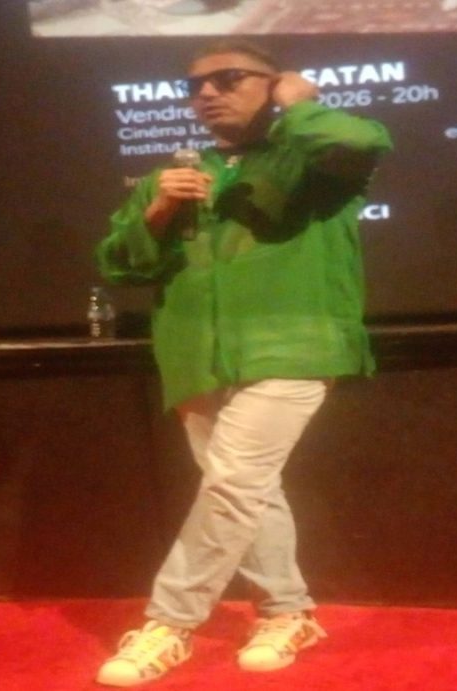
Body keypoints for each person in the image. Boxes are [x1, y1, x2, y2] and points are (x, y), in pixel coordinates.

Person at [93, 39, 392, 686]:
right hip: (193, 355)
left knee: (232, 483)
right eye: (195, 85)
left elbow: (363, 140)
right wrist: (158, 211)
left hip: (292, 345)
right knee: (247, 489)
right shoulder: (173, 174)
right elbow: (119, 265)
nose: (206, 93)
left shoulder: (313, 159)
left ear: (271, 82)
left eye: (229, 78)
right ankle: (288, 612)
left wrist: (300, 103)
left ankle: (169, 622)